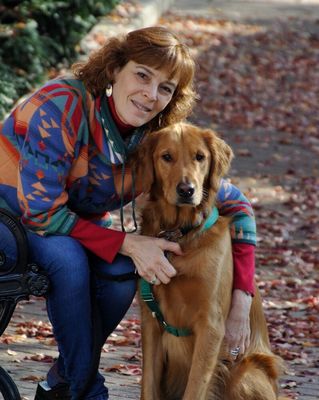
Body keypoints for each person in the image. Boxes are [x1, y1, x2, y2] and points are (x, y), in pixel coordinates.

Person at [0, 26, 256, 400]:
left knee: (121, 271)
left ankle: (61, 381)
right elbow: (39, 212)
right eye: (142, 75)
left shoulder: (154, 141)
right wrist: (127, 242)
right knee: (68, 260)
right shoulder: (59, 105)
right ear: (115, 68)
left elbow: (237, 203)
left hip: (67, 225)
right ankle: (86, 390)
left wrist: (242, 298)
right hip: (9, 217)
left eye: (165, 88)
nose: (151, 95)